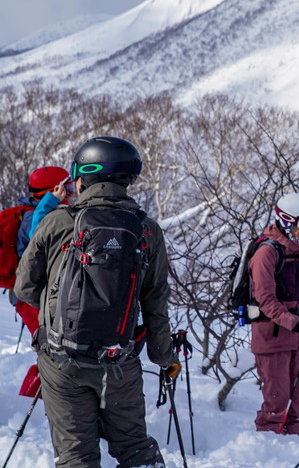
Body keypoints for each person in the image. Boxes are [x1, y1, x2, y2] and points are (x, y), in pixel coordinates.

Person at [14, 136, 179, 468]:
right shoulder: (148, 231)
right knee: (134, 448)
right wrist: (164, 356)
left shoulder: (58, 222)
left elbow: (24, 288)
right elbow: (155, 300)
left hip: (63, 360)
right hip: (120, 361)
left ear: (81, 176)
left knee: (77, 456)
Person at [249, 192, 299, 435]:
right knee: (277, 401)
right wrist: (298, 324)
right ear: (286, 220)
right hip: (272, 340)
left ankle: (294, 445)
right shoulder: (267, 253)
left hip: (298, 339)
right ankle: (269, 449)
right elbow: (266, 301)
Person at [9, 166, 69, 338]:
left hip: (34, 293)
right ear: (54, 191)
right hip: (29, 296)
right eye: (68, 189)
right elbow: (37, 234)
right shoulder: (33, 216)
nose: (71, 194)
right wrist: (50, 202)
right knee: (47, 346)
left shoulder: (49, 213)